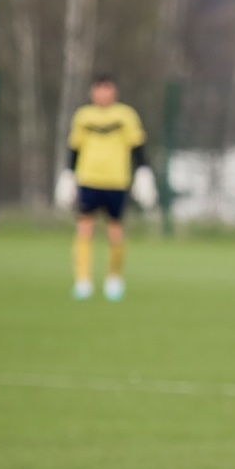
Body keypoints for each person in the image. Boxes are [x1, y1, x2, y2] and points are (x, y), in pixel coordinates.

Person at [54, 74, 158, 301]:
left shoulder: (125, 115)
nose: (102, 93)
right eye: (98, 89)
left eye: (107, 88)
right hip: (88, 179)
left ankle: (114, 279)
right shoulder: (83, 116)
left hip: (116, 181)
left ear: (114, 91)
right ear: (93, 92)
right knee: (84, 228)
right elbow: (74, 147)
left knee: (115, 230)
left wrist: (143, 171)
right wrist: (68, 174)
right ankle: (82, 281)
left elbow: (137, 146)